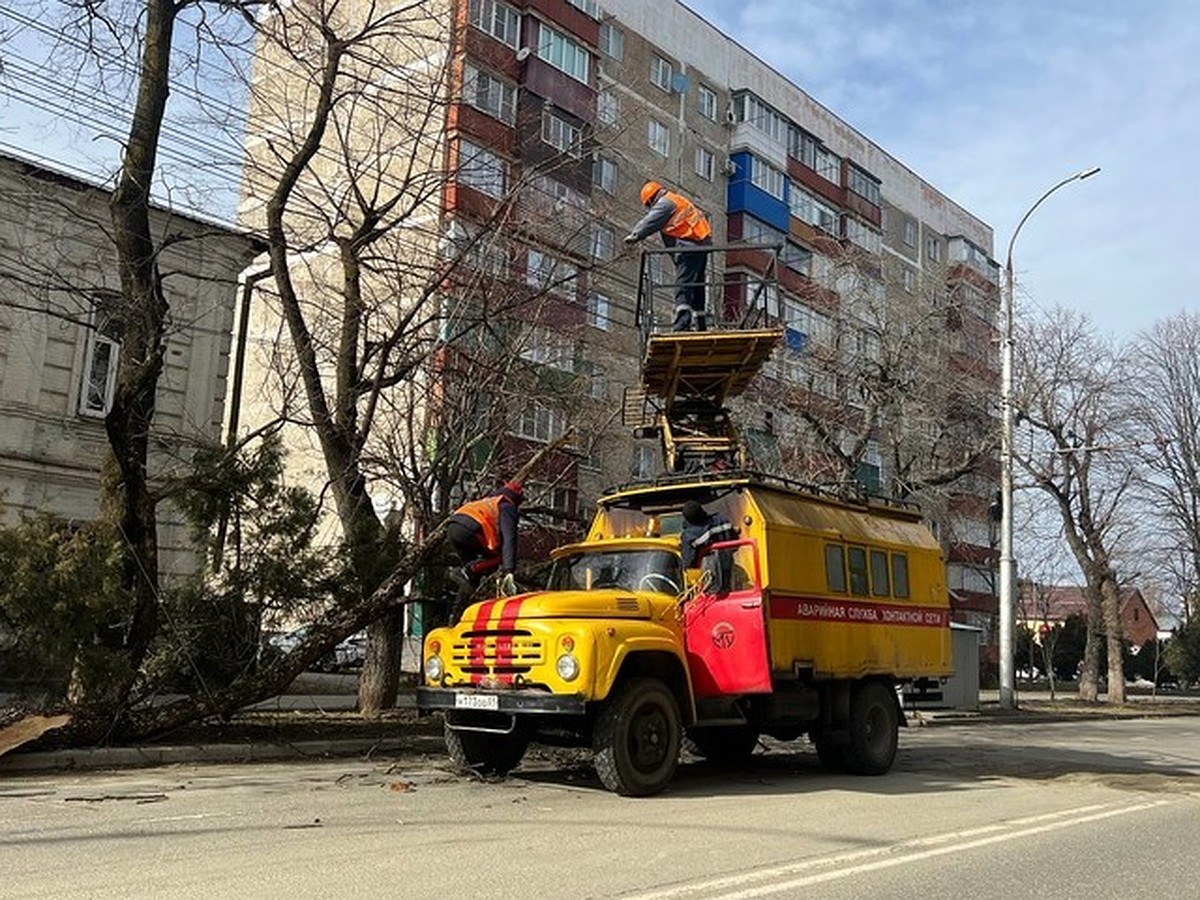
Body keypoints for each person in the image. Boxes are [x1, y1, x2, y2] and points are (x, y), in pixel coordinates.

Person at [624, 181, 714, 332]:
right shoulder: (677, 200)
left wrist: (635, 235)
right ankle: (701, 324)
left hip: (689, 247)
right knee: (697, 286)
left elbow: (650, 221)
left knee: (683, 285)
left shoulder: (666, 203)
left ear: (652, 200)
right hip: (700, 244)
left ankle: (682, 324)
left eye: (649, 205)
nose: (650, 209)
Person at [446, 480, 523, 618]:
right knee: (498, 558)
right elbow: (509, 538)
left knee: (470, 578)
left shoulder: (488, 501)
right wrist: (509, 570)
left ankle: (456, 615)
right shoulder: (506, 505)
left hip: (453, 527)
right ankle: (466, 571)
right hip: (470, 529)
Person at [679, 500, 737, 592]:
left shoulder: (689, 536)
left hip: (710, 580)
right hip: (732, 571)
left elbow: (689, 562)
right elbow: (735, 540)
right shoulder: (721, 520)